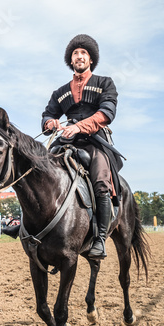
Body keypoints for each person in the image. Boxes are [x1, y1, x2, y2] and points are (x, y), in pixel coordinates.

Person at [41, 34, 123, 259]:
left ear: (91, 59)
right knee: (37, 171)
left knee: (101, 181)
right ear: (70, 59)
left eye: (83, 53)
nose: (79, 56)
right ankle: (24, 227)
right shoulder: (60, 92)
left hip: (96, 141)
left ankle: (100, 239)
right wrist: (51, 123)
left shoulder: (105, 83)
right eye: (75, 53)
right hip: (66, 140)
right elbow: (48, 114)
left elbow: (107, 112)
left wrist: (78, 127)